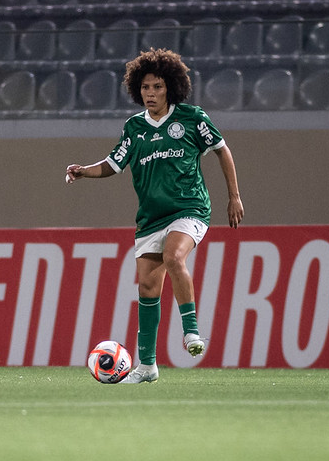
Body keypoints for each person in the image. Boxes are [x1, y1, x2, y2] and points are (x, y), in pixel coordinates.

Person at [65, 48, 245, 383]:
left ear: (171, 88)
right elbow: (113, 163)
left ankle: (191, 331)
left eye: (158, 87)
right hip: (151, 218)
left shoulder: (192, 118)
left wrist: (233, 196)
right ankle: (146, 366)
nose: (151, 93)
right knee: (148, 287)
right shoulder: (134, 127)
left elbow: (222, 149)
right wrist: (84, 171)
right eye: (146, 87)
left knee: (174, 257)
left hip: (189, 208)